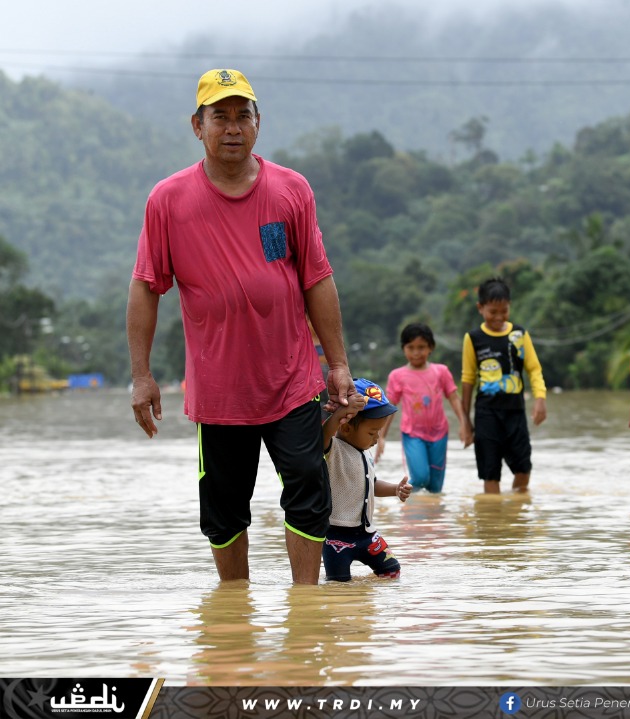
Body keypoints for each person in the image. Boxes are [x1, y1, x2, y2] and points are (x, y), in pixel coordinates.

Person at [126, 69, 358, 585]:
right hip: (220, 388)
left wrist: (338, 364)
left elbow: (317, 279)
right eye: (220, 117)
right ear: (197, 126)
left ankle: (304, 604)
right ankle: (235, 604)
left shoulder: (291, 191)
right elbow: (145, 286)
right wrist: (141, 375)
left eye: (242, 116)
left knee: (306, 482)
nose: (232, 128)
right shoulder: (168, 200)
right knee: (225, 504)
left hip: (291, 379)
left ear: (258, 124)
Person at [460, 277, 547, 494]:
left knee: (523, 468)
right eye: (493, 312)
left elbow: (534, 369)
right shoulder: (473, 338)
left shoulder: (519, 335)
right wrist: (465, 421)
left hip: (515, 412)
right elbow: (468, 379)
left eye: (504, 311)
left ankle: (517, 515)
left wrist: (540, 399)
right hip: (486, 414)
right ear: (480, 308)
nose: (499, 317)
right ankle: (494, 521)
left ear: (509, 307)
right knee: (490, 471)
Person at [322, 378, 412, 581]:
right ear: (346, 428)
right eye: (372, 432)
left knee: (392, 572)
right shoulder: (333, 449)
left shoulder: (364, 452)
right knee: (339, 586)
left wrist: (395, 490)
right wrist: (338, 416)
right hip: (337, 539)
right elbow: (323, 436)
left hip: (367, 535)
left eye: (379, 432)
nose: (376, 439)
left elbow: (371, 485)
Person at [377, 322, 473, 493]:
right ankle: (403, 496)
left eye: (421, 347)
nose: (416, 353)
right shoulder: (397, 376)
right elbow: (390, 406)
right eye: (411, 347)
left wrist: (464, 424)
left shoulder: (441, 372)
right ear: (403, 348)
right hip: (412, 434)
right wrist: (381, 436)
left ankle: (429, 517)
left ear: (431, 348)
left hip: (439, 433)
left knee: (435, 488)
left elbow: (453, 398)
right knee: (421, 478)